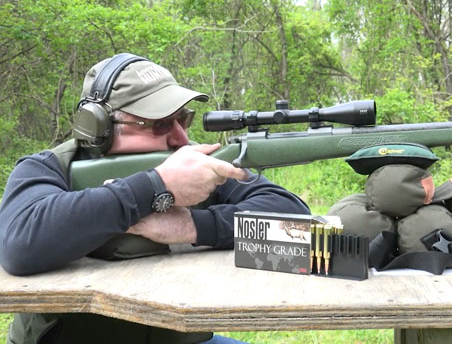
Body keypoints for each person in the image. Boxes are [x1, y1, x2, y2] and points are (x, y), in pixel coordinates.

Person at [0, 54, 310, 344]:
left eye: (183, 119)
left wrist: (193, 227)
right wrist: (158, 184)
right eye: (160, 124)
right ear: (98, 126)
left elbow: (296, 223)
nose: (181, 138)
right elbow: (20, 245)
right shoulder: (49, 168)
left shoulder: (193, 163)